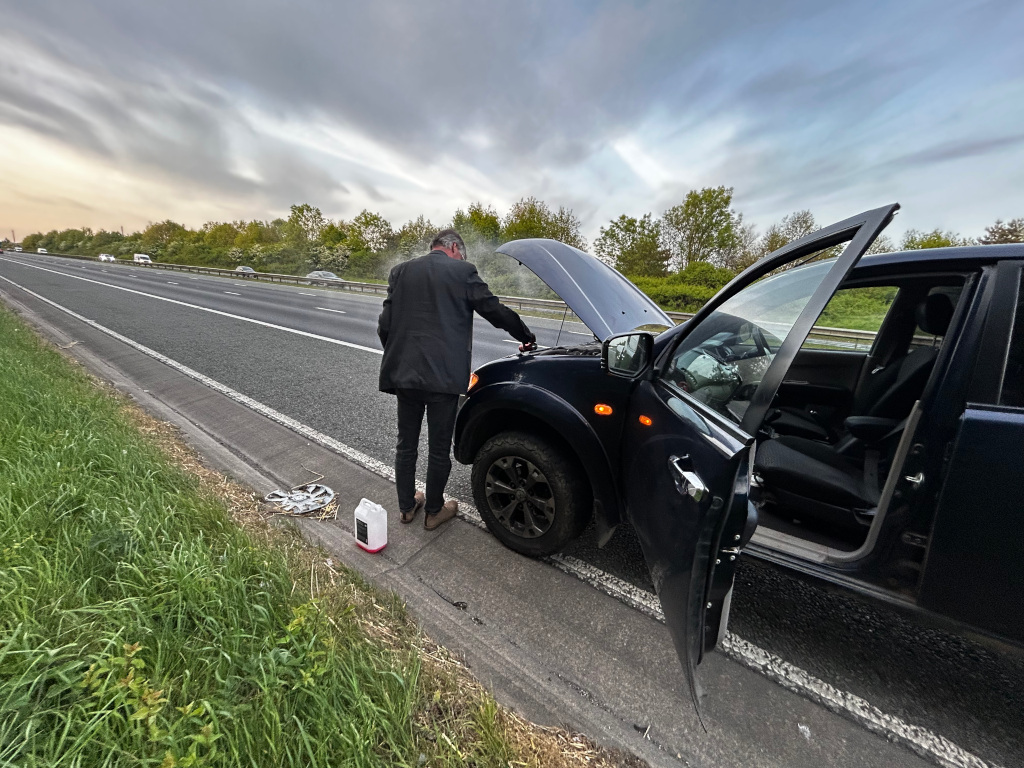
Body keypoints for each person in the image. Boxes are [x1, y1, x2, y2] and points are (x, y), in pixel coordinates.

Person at [378, 229, 537, 530]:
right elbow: (495, 311)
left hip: (406, 375)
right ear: (454, 248)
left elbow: (384, 325)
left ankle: (407, 506)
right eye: (462, 255)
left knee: (405, 444)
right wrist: (525, 336)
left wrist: (400, 355)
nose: (463, 259)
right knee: (438, 448)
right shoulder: (462, 272)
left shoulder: (400, 272)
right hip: (443, 378)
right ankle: (434, 512)